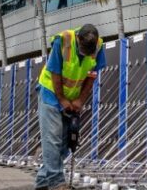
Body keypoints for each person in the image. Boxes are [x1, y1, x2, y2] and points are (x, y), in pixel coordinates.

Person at [35, 24, 105, 190]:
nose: (86, 52)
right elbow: (55, 72)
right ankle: (56, 182)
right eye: (83, 48)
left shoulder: (98, 47)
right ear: (78, 39)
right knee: (53, 138)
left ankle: (42, 182)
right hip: (51, 92)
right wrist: (61, 99)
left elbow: (92, 75)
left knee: (65, 143)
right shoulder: (64, 41)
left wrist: (80, 100)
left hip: (72, 98)